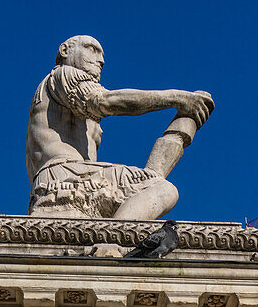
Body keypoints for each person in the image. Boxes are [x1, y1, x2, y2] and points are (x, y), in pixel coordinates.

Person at [26, 35, 213, 222]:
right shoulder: (63, 74)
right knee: (163, 190)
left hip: (76, 177)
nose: (101, 60)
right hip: (66, 177)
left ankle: (115, 235)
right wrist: (177, 98)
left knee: (153, 182)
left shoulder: (66, 96)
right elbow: (104, 101)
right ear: (65, 51)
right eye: (92, 49)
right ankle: (114, 239)